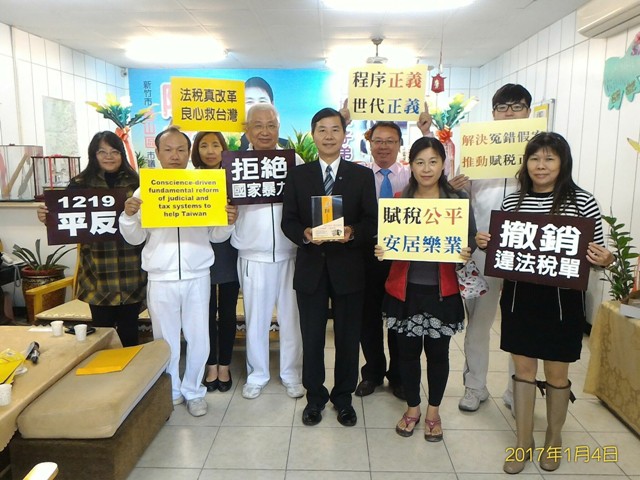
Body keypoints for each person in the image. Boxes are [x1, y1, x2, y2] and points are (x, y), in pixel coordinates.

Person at [474, 132, 614, 474]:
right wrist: (485, 242)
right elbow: (503, 251)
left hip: (562, 300)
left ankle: (553, 438)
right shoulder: (513, 202)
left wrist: (606, 258)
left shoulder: (582, 202)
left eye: (549, 158)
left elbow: (596, 254)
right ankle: (523, 442)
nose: (541, 165)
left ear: (563, 163)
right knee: (523, 371)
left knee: (557, 373)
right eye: (535, 159)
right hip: (520, 296)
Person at [119, 127, 237, 417]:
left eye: (181, 150)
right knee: (165, 339)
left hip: (198, 274)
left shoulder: (204, 186)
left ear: (189, 153)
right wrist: (129, 216)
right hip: (161, 276)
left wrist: (228, 221)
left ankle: (194, 391)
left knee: (199, 337)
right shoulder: (145, 191)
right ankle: (171, 390)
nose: (175, 156)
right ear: (158, 153)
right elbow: (134, 238)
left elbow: (216, 235)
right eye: (168, 150)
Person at [375, 136, 476, 441]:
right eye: (420, 162)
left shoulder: (457, 201)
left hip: (441, 291)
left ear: (443, 164)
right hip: (404, 291)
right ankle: (413, 407)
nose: (427, 168)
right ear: (411, 165)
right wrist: (382, 250)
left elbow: (469, 239)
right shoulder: (399, 201)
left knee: (438, 354)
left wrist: (466, 250)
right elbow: (387, 241)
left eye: (433, 161)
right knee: (406, 354)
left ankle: (433, 411)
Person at [281, 107, 377, 427]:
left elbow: (371, 220)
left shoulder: (361, 175)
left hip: (349, 269)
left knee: (348, 338)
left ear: (344, 135)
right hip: (311, 269)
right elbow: (288, 221)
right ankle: (315, 398)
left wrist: (353, 232)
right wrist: (305, 234)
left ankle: (343, 397)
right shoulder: (298, 175)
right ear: (313, 135)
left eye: (335, 129)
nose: (328, 136)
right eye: (322, 129)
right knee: (312, 338)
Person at [453, 83, 533, 413]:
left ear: (529, 111)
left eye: (517, 106)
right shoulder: (477, 150)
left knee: (521, 324)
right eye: (502, 107)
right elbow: (461, 203)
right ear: (493, 113)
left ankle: (517, 390)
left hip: (525, 251)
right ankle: (475, 387)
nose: (509, 113)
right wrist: (455, 187)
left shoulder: (539, 152)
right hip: (482, 250)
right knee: (478, 323)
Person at [36, 131, 146, 347]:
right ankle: (104, 367)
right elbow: (65, 221)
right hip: (97, 271)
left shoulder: (137, 183)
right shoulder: (80, 184)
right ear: (93, 155)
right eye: (102, 152)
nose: (109, 157)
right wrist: (47, 219)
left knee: (130, 331)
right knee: (102, 332)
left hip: (131, 268)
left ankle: (131, 368)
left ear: (122, 154)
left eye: (114, 152)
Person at [353, 112, 434, 399]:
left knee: (400, 317)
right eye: (378, 141)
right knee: (368, 317)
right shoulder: (359, 175)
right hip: (366, 255)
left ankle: (398, 375)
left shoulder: (412, 176)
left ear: (400, 144)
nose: (383, 146)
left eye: (390, 141)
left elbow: (438, 168)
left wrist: (426, 133)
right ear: (369, 144)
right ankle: (372, 372)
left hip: (402, 256)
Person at [231, 103, 304, 400]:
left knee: (291, 319)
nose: (265, 131)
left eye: (271, 125)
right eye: (258, 125)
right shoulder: (235, 166)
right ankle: (257, 374)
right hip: (253, 256)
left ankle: (291, 373)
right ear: (247, 130)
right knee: (256, 319)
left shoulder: (294, 161)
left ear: (278, 128)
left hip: (290, 254)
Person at [191, 131, 239, 393]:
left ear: (224, 148)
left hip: (229, 250)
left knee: (228, 310)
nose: (210, 151)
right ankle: (210, 364)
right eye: (204, 145)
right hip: (198, 252)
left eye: (215, 145)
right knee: (205, 312)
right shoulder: (189, 179)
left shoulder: (235, 177)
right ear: (196, 150)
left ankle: (225, 364)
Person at [240, 77, 288, 151]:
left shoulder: (289, 151)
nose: (265, 133)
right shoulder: (234, 152)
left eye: (262, 101)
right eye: (249, 102)